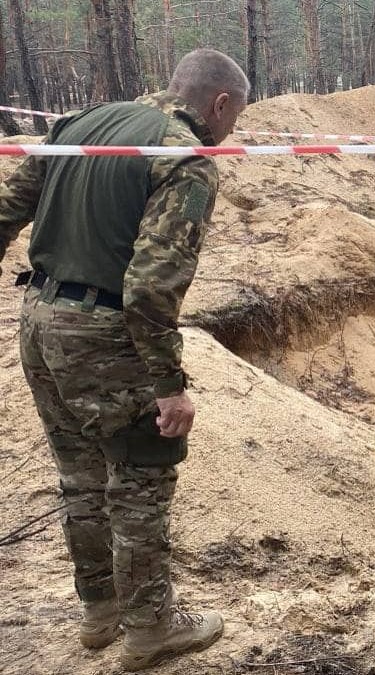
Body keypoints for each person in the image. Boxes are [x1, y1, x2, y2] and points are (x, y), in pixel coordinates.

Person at [0, 49, 249, 671]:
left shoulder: (78, 125)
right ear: (219, 104)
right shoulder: (184, 157)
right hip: (107, 337)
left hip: (39, 320)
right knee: (139, 481)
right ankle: (150, 628)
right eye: (235, 118)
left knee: (80, 477)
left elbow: (4, 211)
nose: (231, 132)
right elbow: (151, 285)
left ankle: (100, 611)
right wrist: (168, 383)